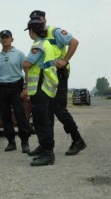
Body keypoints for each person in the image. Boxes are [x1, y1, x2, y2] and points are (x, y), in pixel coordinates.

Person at [27, 10, 87, 157]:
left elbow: (74, 42)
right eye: (34, 19)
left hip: (59, 74)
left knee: (58, 108)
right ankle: (45, 144)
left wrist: (65, 60)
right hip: (48, 75)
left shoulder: (55, 31)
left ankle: (77, 139)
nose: (38, 21)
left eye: (39, 18)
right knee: (46, 110)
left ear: (45, 19)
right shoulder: (38, 35)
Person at [22, 18, 59, 166]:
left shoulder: (38, 46)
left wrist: (25, 64)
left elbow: (27, 64)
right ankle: (45, 150)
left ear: (32, 31)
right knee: (44, 121)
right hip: (46, 88)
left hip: (40, 89)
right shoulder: (48, 44)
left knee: (41, 122)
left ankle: (48, 154)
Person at [0, 30, 31, 153]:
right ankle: (11, 142)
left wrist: (27, 88)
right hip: (2, 89)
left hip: (16, 88)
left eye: (7, 37)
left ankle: (25, 142)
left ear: (12, 39)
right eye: (3, 37)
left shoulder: (19, 54)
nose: (5, 39)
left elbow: (27, 71)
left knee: (20, 115)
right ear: (0, 40)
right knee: (5, 116)